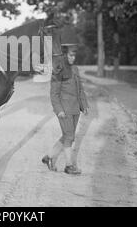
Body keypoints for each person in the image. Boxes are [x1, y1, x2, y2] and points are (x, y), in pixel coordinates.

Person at [42, 44, 88, 175]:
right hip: (64, 110)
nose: (73, 58)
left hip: (75, 109)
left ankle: (49, 157)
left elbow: (80, 89)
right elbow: (54, 94)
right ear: (64, 56)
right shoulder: (58, 71)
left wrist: (84, 105)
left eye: (74, 56)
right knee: (69, 136)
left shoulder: (75, 69)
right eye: (70, 55)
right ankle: (69, 166)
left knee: (67, 136)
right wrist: (58, 110)